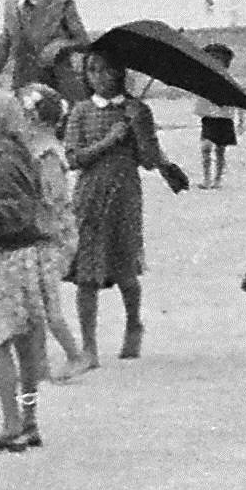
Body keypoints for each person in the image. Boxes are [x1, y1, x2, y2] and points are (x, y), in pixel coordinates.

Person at [62, 46, 170, 368]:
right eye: (92, 71)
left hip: (124, 194)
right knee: (86, 272)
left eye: (106, 70)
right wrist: (109, 139)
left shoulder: (138, 110)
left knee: (125, 267)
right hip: (89, 195)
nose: (99, 77)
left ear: (120, 73)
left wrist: (137, 129)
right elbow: (73, 158)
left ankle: (134, 323)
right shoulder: (80, 111)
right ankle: (89, 347)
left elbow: (149, 160)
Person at [0, 95, 58, 451]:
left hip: (8, 256)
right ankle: (29, 419)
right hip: (29, 255)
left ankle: (11, 422)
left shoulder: (0, 160)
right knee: (27, 343)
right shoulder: (22, 153)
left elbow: (13, 210)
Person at [20, 86, 92, 372]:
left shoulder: (48, 155)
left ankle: (75, 354)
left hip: (52, 237)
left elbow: (55, 198)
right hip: (43, 234)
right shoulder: (37, 151)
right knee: (38, 301)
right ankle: (41, 364)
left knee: (49, 304)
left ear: (35, 119)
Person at [195, 42, 241, 189]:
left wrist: (241, 120)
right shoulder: (204, 79)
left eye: (218, 59)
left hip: (224, 120)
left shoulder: (229, 80)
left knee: (220, 151)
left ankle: (218, 179)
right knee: (206, 148)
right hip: (209, 118)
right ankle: (207, 178)